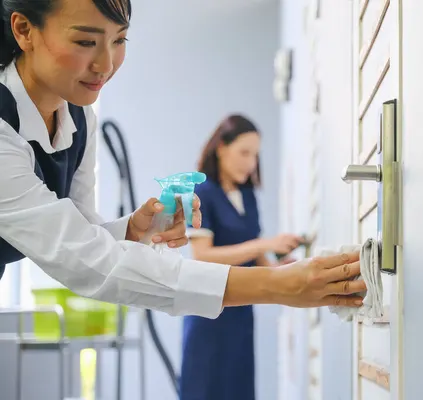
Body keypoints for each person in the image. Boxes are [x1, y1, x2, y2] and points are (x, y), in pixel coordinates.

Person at [0, 0, 366, 321]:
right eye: (85, 42)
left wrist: (132, 231)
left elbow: (79, 230)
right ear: (24, 30)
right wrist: (276, 285)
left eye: (119, 40)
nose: (106, 64)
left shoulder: (79, 118)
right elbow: (86, 260)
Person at [180, 115, 303, 400]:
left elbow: (259, 262)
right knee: (205, 389)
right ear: (222, 148)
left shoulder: (248, 196)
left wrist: (281, 268)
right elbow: (202, 255)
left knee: (239, 388)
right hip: (208, 313)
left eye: (255, 155)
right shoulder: (201, 193)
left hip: (241, 315)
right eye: (244, 153)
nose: (250, 163)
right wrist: (264, 242)